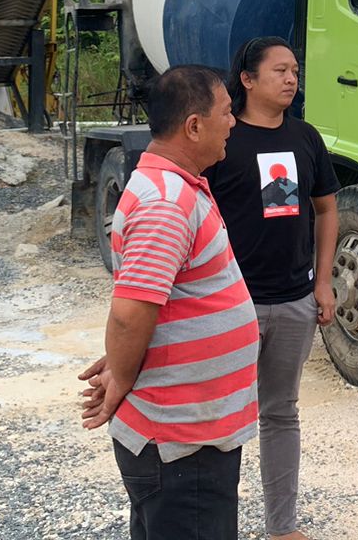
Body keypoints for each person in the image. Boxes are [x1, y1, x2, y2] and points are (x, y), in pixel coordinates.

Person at [78, 65, 261, 540]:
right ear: (194, 126)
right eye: (226, 112)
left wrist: (126, 361)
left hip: (194, 434)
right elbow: (129, 312)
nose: (234, 122)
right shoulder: (164, 202)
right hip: (180, 442)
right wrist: (120, 372)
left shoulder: (180, 188)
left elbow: (155, 305)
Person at [205, 37, 340, 540]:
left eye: (295, 70)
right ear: (246, 79)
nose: (291, 79)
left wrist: (322, 282)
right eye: (280, 70)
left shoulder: (305, 137)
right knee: (221, 417)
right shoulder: (221, 139)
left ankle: (281, 527)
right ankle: (216, 525)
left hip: (294, 301)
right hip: (230, 304)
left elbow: (326, 209)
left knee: (280, 413)